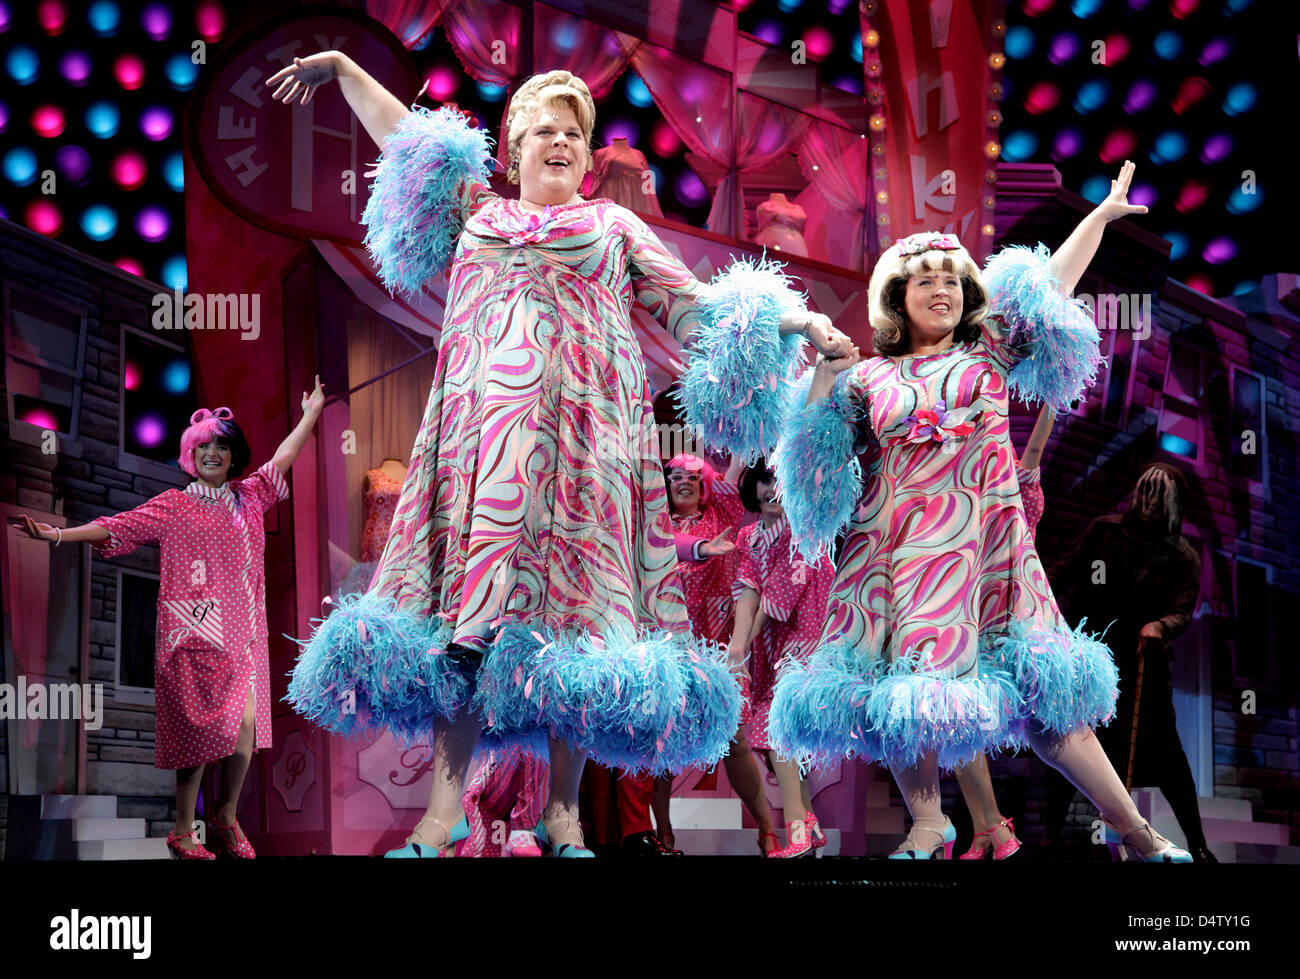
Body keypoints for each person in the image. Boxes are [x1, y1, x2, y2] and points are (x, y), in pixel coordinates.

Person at [268, 55, 853, 858]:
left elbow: (702, 308)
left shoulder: (614, 229)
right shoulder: (476, 214)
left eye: (573, 133)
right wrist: (342, 69)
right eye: (542, 129)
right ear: (510, 152)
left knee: (578, 639)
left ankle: (567, 817)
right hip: (483, 457)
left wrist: (798, 326)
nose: (559, 141)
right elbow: (409, 140)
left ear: (585, 156)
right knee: (467, 637)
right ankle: (442, 817)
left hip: (588, 460)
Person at [771, 162, 1192, 863]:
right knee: (907, 700)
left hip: (987, 553)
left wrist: (1098, 219)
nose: (940, 287)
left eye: (950, 278)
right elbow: (810, 464)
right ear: (895, 297)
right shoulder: (871, 377)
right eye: (923, 277)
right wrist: (823, 369)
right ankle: (930, 826)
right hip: (896, 559)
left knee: (1049, 708)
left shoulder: (988, 349)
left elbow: (1051, 282)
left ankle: (1140, 835)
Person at [16, 383, 325, 858]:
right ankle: (183, 828)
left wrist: (310, 415)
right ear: (190, 454)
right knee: (200, 736)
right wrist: (58, 533)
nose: (213, 453)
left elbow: (284, 456)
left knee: (245, 733)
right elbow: (118, 526)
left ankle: (223, 815)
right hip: (197, 627)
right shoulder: (175, 504)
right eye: (204, 446)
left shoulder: (251, 496)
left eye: (222, 445)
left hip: (243, 632)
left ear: (232, 453)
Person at [1047, 462, 1215, 862]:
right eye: (1146, 492)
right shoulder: (1104, 531)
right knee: (1078, 744)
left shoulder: (1183, 555)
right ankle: (1049, 840)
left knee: (1170, 761)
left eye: (1159, 497)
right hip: (1095, 659)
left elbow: (1182, 609)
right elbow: (1065, 570)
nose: (1150, 503)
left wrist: (1159, 625)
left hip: (1145, 666)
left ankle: (1198, 845)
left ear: (1173, 504)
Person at [655, 452, 778, 853]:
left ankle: (768, 829)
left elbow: (740, 457)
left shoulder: (723, 508)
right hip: (669, 645)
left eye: (693, 476)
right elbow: (668, 544)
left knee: (735, 740)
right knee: (661, 742)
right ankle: (663, 836)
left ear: (705, 482)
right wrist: (702, 548)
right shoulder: (655, 522)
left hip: (718, 646)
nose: (683, 483)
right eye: (675, 477)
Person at [954, 402, 1054, 861]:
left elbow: (1033, 444)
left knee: (1027, 721)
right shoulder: (960, 480)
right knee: (956, 719)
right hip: (966, 599)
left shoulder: (1016, 476)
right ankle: (985, 829)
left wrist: (1052, 395)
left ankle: (992, 825)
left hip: (1005, 600)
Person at [728, 461, 834, 857]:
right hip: (768, 643)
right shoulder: (749, 536)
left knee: (780, 730)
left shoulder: (807, 531)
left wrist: (745, 641)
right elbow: (748, 587)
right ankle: (809, 822)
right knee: (780, 736)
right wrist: (738, 648)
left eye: (779, 480)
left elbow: (780, 595)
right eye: (765, 481)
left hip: (804, 637)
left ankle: (797, 830)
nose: (771, 489)